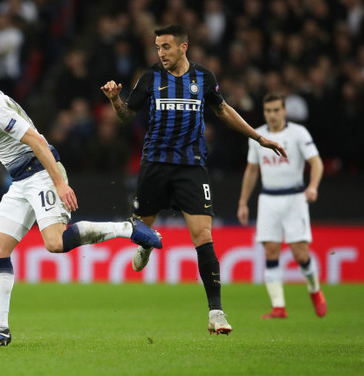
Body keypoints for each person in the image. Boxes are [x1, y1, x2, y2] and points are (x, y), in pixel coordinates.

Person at [0, 64, 162, 347]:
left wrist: (59, 183)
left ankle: (127, 227)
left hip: (42, 173)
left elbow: (36, 140)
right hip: (20, 181)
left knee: (55, 243)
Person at [100, 24, 287, 335]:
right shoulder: (150, 78)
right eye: (158, 47)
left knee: (203, 235)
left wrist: (258, 137)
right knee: (141, 228)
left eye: (166, 47)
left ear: (183, 47)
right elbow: (127, 116)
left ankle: (216, 313)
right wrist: (115, 100)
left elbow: (223, 110)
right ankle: (146, 243)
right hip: (155, 164)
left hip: (191, 166)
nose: (160, 53)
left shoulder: (204, 78)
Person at [237, 93, 327, 319]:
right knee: (270, 251)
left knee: (300, 254)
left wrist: (313, 186)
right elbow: (252, 170)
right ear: (264, 112)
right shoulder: (257, 136)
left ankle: (315, 290)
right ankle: (278, 307)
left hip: (295, 198)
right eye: (268, 111)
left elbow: (316, 162)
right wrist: (243, 202)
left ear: (284, 111)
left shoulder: (298, 133)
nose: (273, 115)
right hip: (268, 199)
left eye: (276, 110)